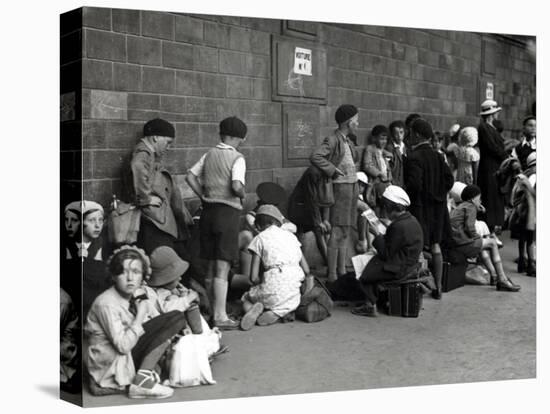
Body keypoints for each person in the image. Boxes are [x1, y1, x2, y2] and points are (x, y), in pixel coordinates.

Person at [85, 246, 184, 399]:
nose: (130, 278)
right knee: (172, 319)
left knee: (175, 318)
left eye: (136, 272)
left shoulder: (130, 294)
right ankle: (141, 383)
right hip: (112, 364)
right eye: (123, 272)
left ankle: (144, 374)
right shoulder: (106, 303)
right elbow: (123, 346)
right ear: (113, 276)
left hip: (125, 354)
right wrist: (140, 315)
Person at [186, 116, 248, 330]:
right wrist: (242, 194)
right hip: (227, 213)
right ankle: (221, 316)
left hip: (208, 213)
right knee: (223, 265)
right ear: (239, 138)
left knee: (211, 265)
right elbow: (237, 184)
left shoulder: (209, 154)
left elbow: (190, 176)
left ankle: (213, 312)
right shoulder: (237, 158)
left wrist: (203, 195)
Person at [351, 186, 423, 317]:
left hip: (399, 267)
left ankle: (370, 305)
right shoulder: (411, 220)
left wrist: (377, 235)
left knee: (364, 271)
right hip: (407, 262)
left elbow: (386, 254)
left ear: (391, 208)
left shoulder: (398, 226)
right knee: (369, 262)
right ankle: (372, 300)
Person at [404, 118, 454, 299]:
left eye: (410, 132)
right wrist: (438, 195)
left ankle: (416, 288)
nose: (408, 136)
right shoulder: (438, 156)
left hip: (420, 208)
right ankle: (438, 287)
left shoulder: (414, 157)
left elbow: (415, 185)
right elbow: (449, 180)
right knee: (435, 245)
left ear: (417, 134)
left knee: (417, 246)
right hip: (438, 209)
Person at [240, 205, 310, 330]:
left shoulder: (259, 238)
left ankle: (255, 311)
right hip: (292, 288)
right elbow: (306, 270)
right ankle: (278, 313)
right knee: (289, 301)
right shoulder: (292, 237)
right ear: (278, 223)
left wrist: (259, 284)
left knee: (245, 298)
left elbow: (253, 277)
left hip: (271, 287)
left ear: (258, 226)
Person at [310, 104, 359, 282]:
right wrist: (332, 170)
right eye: (355, 120)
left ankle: (342, 272)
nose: (358, 123)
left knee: (345, 231)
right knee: (337, 231)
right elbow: (315, 156)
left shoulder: (347, 140)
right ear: (347, 122)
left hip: (352, 188)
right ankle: (332, 275)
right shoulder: (332, 139)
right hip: (341, 188)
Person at [131, 118, 192, 256]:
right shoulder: (143, 152)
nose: (168, 147)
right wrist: (146, 198)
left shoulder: (148, 153)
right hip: (152, 215)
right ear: (155, 138)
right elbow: (137, 166)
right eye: (168, 142)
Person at [449, 185, 520, 291]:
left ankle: (494, 277)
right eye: (479, 198)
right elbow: (469, 227)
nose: (481, 200)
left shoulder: (462, 206)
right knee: (492, 243)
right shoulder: (470, 207)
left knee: (482, 247)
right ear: (473, 199)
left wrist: (478, 209)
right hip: (463, 244)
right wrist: (476, 237)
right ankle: (502, 279)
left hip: (456, 243)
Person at [145, 246, 204, 333]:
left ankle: (202, 334)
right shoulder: (157, 293)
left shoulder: (172, 288)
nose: (180, 278)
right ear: (166, 279)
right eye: (176, 276)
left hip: (182, 327)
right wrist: (187, 299)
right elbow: (168, 310)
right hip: (165, 329)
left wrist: (187, 295)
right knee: (173, 299)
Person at [287, 166, 333, 265]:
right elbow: (311, 200)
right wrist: (319, 222)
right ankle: (329, 263)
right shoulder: (312, 173)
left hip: (312, 209)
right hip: (300, 208)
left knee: (326, 230)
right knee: (318, 231)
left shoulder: (329, 172)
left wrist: (325, 220)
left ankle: (330, 263)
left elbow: (327, 199)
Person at [477, 100, 508, 240]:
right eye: (495, 112)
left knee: (495, 198)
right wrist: (505, 156)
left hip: (495, 167)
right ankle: (488, 231)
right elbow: (492, 147)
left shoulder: (491, 127)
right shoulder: (483, 127)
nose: (497, 114)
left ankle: (493, 230)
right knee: (489, 198)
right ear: (491, 114)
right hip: (489, 167)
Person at [510, 152, 536, 276]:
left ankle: (522, 261)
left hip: (521, 211)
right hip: (530, 211)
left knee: (523, 237)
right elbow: (534, 194)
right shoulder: (533, 176)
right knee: (531, 238)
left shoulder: (524, 175)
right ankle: (531, 265)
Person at [361, 125, 393, 213]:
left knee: (386, 205)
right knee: (377, 206)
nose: (384, 141)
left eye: (385, 139)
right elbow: (367, 165)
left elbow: (387, 167)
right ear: (374, 138)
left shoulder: (384, 151)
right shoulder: (370, 149)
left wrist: (389, 177)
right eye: (381, 139)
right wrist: (379, 174)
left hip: (386, 182)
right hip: (376, 182)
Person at [386, 120, 406, 188]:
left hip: (403, 182)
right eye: (396, 133)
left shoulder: (405, 147)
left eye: (401, 132)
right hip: (394, 182)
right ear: (392, 134)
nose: (399, 136)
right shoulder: (390, 148)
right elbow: (387, 166)